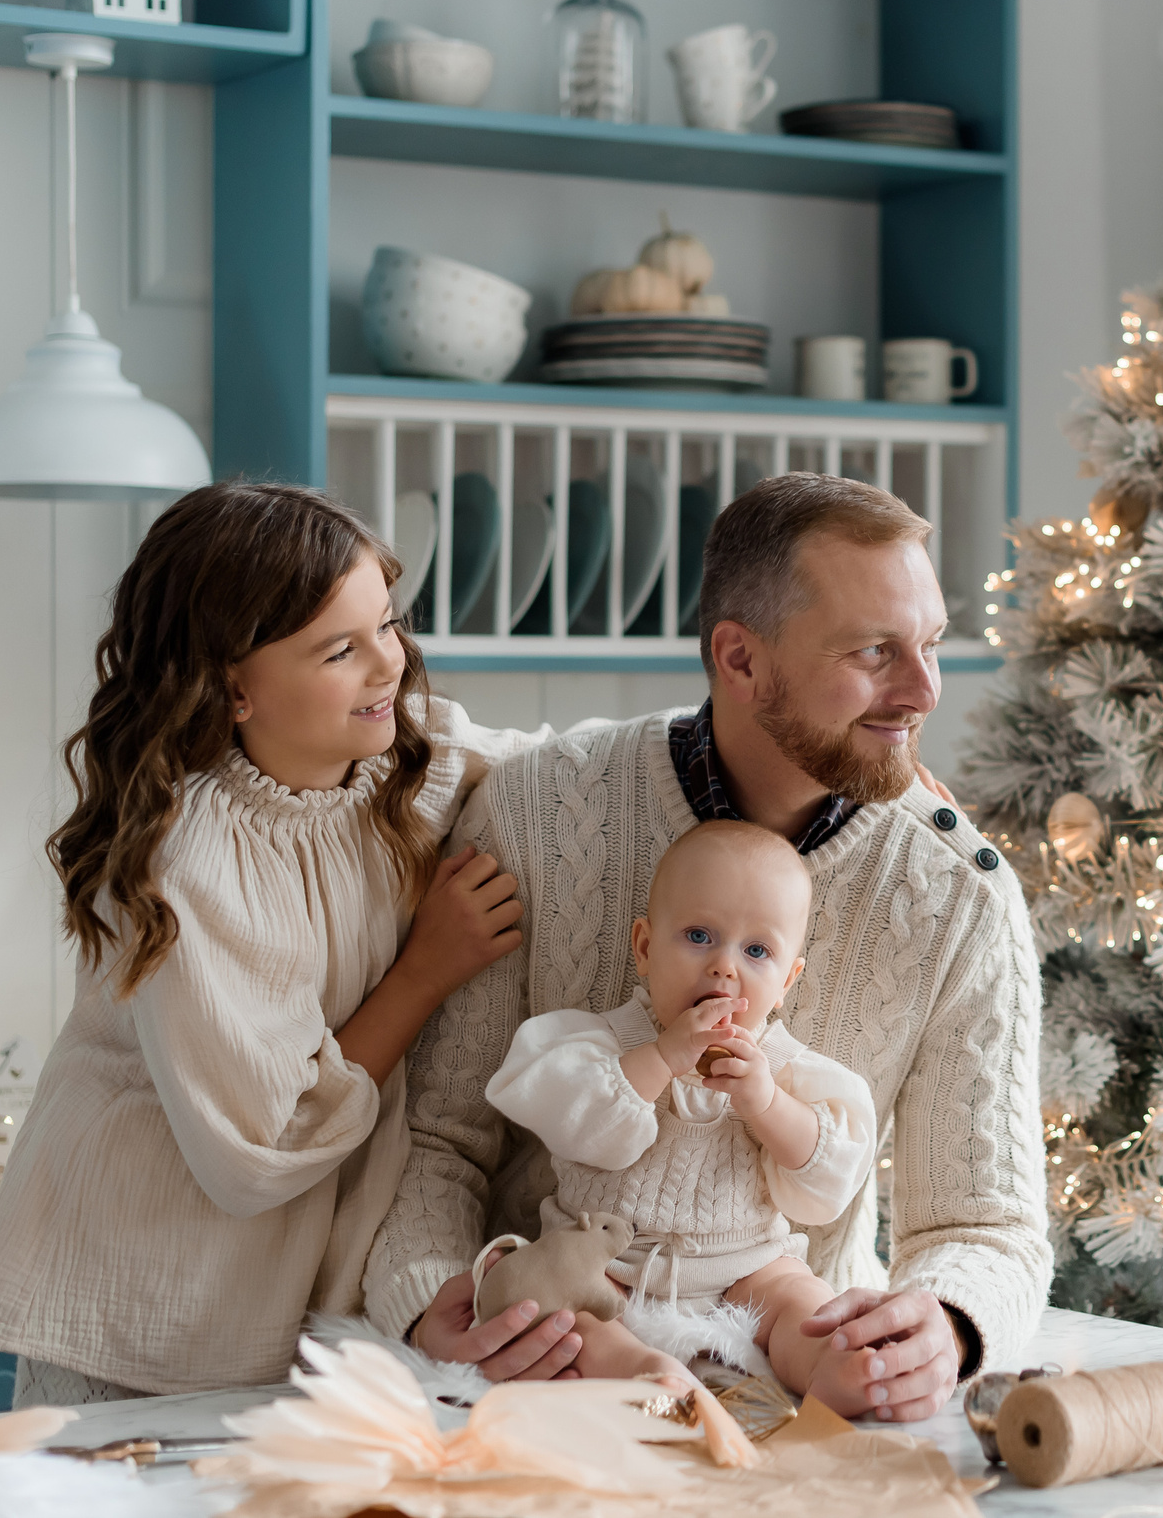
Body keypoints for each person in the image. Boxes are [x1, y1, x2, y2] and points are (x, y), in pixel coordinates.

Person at [364, 472, 1047, 1422]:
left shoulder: (961, 895)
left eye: (929, 643)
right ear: (740, 658)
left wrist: (951, 1326)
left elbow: (987, 1222)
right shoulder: (540, 806)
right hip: (538, 1369)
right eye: (873, 651)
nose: (924, 689)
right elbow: (440, 1141)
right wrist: (431, 1301)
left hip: (796, 1385)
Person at [0, 483, 548, 1403]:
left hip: (296, 1305)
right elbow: (263, 1141)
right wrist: (429, 966)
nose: (387, 665)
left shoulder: (404, 760)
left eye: (388, 625)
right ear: (233, 686)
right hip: (149, 1310)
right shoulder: (187, 857)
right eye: (340, 649)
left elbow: (570, 768)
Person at [482, 819, 875, 1404]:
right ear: (644, 947)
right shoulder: (602, 1045)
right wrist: (662, 1057)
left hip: (745, 1267)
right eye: (698, 936)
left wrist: (766, 1105)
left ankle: (828, 1365)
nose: (724, 966)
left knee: (802, 1299)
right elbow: (571, 1120)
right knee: (547, 1301)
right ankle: (635, 1366)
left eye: (757, 950)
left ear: (788, 980)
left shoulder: (789, 1071)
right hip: (607, 1263)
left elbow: (827, 1180)